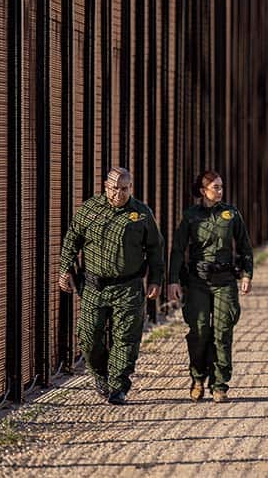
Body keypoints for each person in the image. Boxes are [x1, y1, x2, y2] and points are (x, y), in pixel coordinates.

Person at [58, 167, 164, 405]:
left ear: (130, 188)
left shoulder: (141, 213)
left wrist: (156, 279)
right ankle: (100, 374)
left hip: (129, 286)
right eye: (115, 188)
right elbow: (71, 240)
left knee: (125, 337)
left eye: (124, 189)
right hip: (95, 286)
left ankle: (118, 386)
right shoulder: (89, 210)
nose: (119, 194)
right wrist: (64, 269)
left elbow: (156, 248)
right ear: (106, 187)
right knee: (88, 336)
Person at [166, 171, 253, 403]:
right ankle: (197, 378)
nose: (220, 191)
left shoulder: (231, 214)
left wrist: (247, 274)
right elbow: (177, 249)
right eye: (215, 187)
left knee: (223, 332)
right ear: (203, 191)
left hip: (224, 281)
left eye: (221, 187)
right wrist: (173, 279)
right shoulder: (191, 216)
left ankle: (220, 383)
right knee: (200, 330)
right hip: (198, 282)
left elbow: (244, 245)